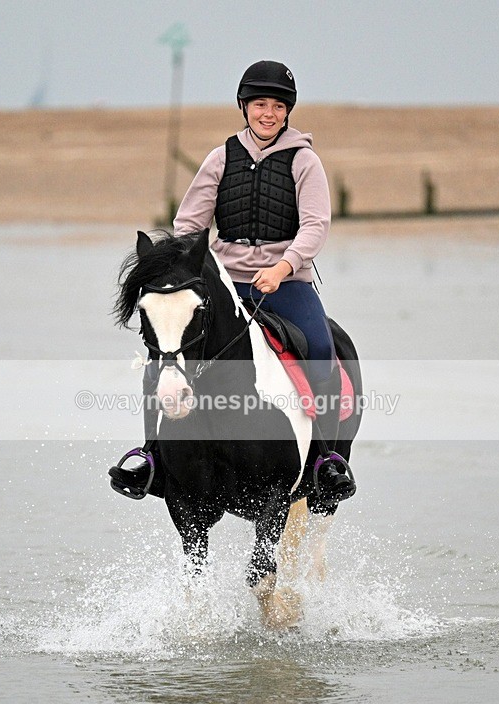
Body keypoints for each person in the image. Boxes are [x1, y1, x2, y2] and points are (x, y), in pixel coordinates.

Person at [110, 60, 351, 501]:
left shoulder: (305, 161)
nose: (268, 113)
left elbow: (316, 225)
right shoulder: (220, 158)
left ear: (287, 111)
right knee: (164, 353)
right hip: (224, 282)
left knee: (320, 348)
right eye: (260, 104)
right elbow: (189, 223)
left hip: (287, 282)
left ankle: (323, 459)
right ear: (244, 107)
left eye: (277, 106)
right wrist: (183, 271)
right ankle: (151, 457)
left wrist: (283, 267)